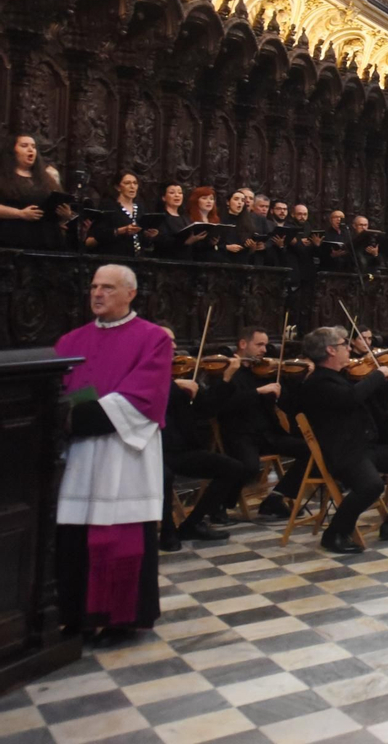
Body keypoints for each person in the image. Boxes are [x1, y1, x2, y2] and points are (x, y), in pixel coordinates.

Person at [53, 265, 172, 640]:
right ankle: (76, 615)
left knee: (121, 540)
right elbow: (53, 391)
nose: (97, 294)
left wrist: (74, 418)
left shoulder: (153, 339)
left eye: (107, 287)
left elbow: (143, 396)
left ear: (130, 293)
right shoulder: (70, 340)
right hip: (78, 457)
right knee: (75, 539)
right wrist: (61, 415)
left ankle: (121, 619)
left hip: (123, 453)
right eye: (93, 286)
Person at [292, 326, 388, 553]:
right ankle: (335, 533)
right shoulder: (317, 382)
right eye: (344, 344)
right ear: (330, 350)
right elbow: (351, 398)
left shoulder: (341, 377)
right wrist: (377, 375)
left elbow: (375, 401)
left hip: (365, 447)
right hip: (343, 453)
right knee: (371, 485)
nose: (349, 348)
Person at [159, 325, 249, 548]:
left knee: (233, 468)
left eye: (173, 341)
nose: (173, 345)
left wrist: (226, 379)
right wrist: (171, 386)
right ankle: (167, 531)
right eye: (166, 340)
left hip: (182, 449)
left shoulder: (183, 374)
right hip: (155, 449)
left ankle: (192, 524)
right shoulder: (148, 375)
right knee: (165, 476)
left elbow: (208, 408)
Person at [212, 327, 306, 519]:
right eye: (259, 344)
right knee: (249, 466)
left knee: (312, 450)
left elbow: (288, 405)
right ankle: (221, 504)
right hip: (240, 433)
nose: (264, 350)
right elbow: (223, 406)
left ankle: (276, 498)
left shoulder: (263, 371)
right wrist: (258, 392)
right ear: (243, 344)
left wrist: (292, 382)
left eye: (265, 344)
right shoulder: (227, 371)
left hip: (268, 433)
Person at [0, 131, 70, 249]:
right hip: (14, 236)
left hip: (46, 237)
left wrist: (65, 214)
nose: (30, 150)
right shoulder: (3, 177)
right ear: (12, 151)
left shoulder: (46, 177)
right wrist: (20, 213)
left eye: (33, 147)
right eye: (24, 146)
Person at [86, 172, 145, 258]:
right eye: (127, 183)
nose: (132, 186)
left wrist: (149, 235)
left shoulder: (140, 207)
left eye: (135, 183)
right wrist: (121, 231)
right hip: (113, 256)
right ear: (118, 187)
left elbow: (143, 239)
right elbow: (97, 235)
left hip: (137, 259)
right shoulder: (108, 206)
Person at [186, 186, 222, 260]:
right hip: (194, 257)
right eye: (204, 198)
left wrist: (214, 243)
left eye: (211, 199)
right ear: (196, 201)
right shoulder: (188, 219)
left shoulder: (215, 219)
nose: (209, 201)